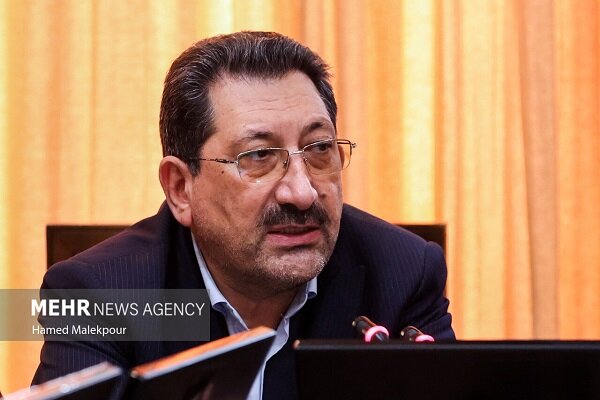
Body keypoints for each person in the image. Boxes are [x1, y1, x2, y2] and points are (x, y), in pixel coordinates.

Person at [32, 31, 454, 399]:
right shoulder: (99, 296)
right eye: (258, 156)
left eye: (320, 149)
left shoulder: (403, 273)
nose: (302, 192)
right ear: (180, 188)